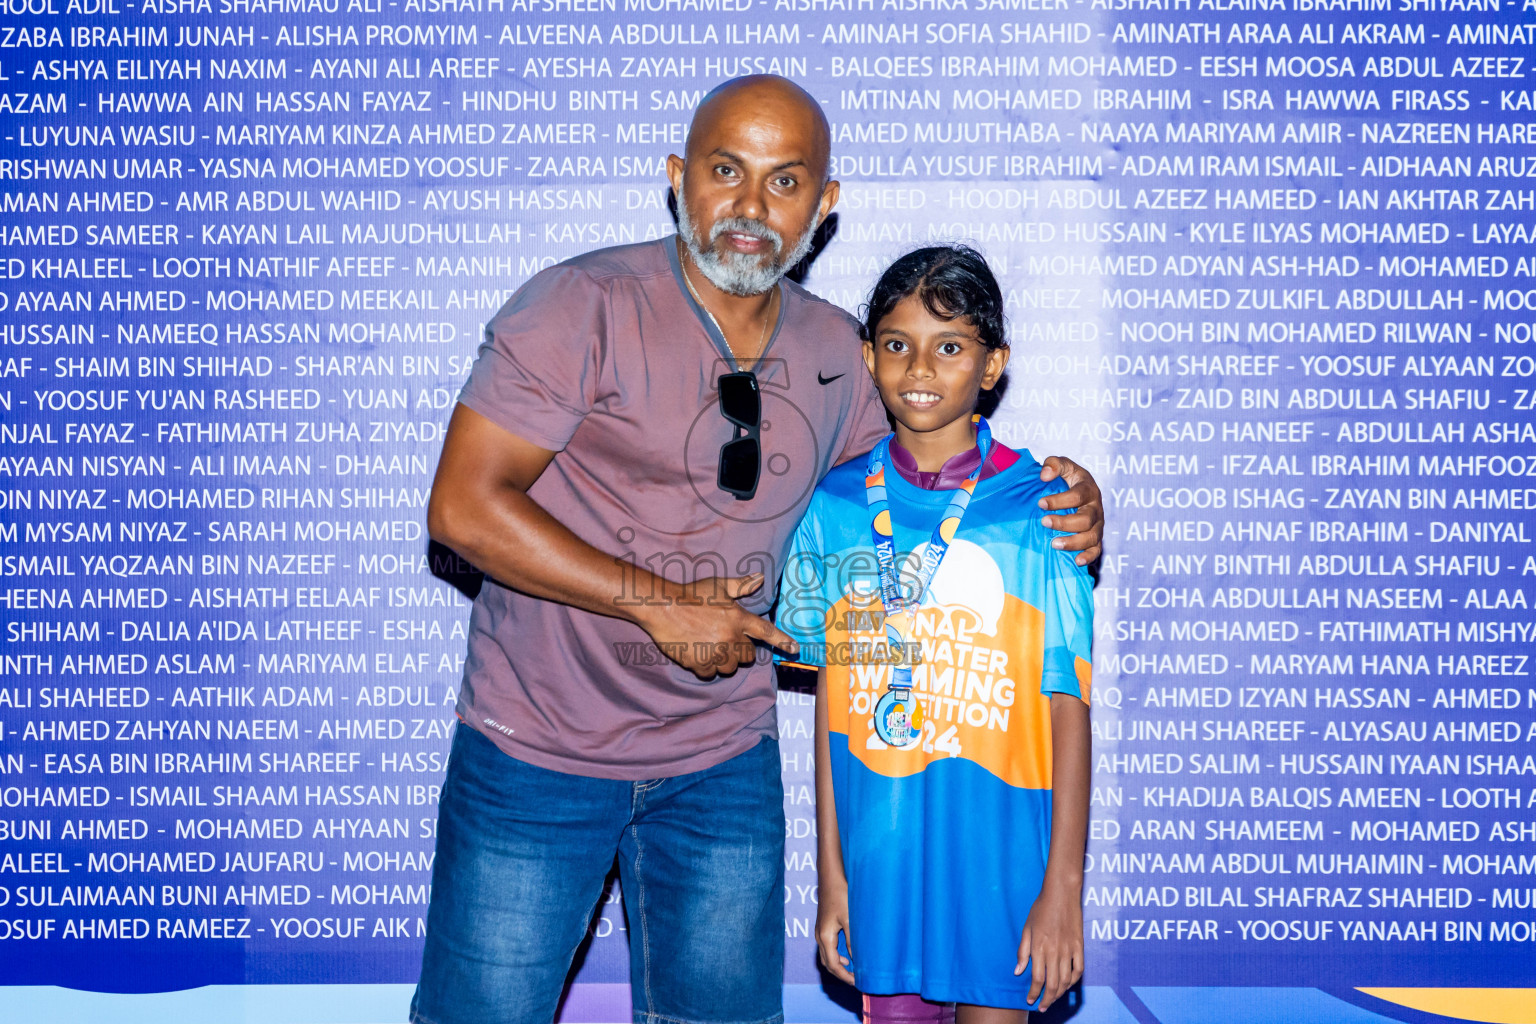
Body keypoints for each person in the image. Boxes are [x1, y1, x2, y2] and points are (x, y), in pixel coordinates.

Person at [413, 75, 1103, 1024]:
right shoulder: (580, 305)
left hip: (720, 759)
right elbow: (461, 507)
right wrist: (658, 600)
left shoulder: (844, 354)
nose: (749, 208)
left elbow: (935, 473)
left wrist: (1064, 498)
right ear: (677, 178)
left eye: (784, 183)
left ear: (822, 209)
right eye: (726, 171)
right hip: (538, 749)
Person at [776, 246, 1092, 1023]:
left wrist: (1061, 890)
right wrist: (833, 878)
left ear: (992, 365)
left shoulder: (1041, 506)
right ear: (868, 356)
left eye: (950, 346)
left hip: (1001, 859)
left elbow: (1068, 705)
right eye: (897, 344)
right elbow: (832, 704)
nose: (920, 366)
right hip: (881, 858)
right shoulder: (837, 507)